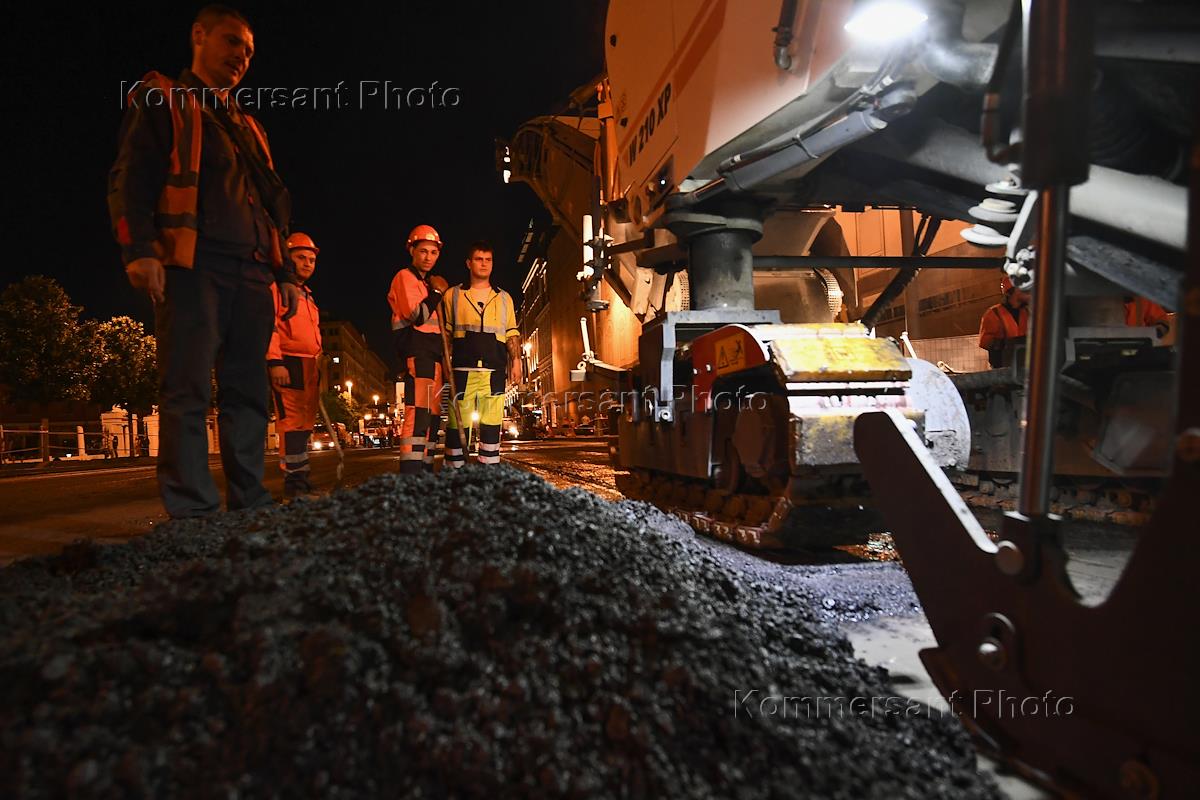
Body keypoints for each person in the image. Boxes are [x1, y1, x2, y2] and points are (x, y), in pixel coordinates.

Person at [108, 6, 300, 518]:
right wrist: (139, 250)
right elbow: (131, 177)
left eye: (249, 51)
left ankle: (250, 503)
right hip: (192, 266)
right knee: (187, 388)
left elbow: (267, 207)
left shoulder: (249, 128)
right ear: (199, 35)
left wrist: (283, 273)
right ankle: (193, 512)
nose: (242, 57)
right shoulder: (163, 98)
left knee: (248, 392)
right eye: (232, 41)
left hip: (252, 271)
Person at [441, 241, 521, 467]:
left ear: (492, 264)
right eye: (479, 259)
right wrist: (444, 361)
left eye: (488, 260)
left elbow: (511, 332)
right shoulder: (453, 295)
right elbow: (446, 334)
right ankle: (455, 470)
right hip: (462, 370)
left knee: (492, 423)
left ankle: (489, 467)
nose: (484, 264)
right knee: (457, 423)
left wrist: (516, 361)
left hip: (494, 369)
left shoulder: (504, 298)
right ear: (469, 263)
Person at [388, 225, 448, 473]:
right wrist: (436, 292)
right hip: (418, 353)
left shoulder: (425, 283)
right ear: (411, 250)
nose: (428, 257)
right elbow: (417, 315)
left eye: (433, 252)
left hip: (433, 356)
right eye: (423, 251)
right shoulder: (406, 277)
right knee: (419, 414)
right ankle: (411, 474)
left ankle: (425, 470)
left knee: (432, 416)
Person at [268, 233, 323, 501]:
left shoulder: (307, 295)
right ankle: (294, 486)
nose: (307, 263)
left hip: (308, 365)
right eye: (301, 258)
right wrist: (274, 361)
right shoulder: (278, 289)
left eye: (311, 259)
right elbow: (269, 325)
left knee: (304, 424)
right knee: (291, 424)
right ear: (287, 260)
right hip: (289, 362)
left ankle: (302, 480)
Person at [978, 275, 1030, 368]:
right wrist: (1008, 343)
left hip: (1023, 367)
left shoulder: (1026, 312)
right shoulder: (993, 314)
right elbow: (985, 342)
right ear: (1011, 292)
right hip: (1002, 369)